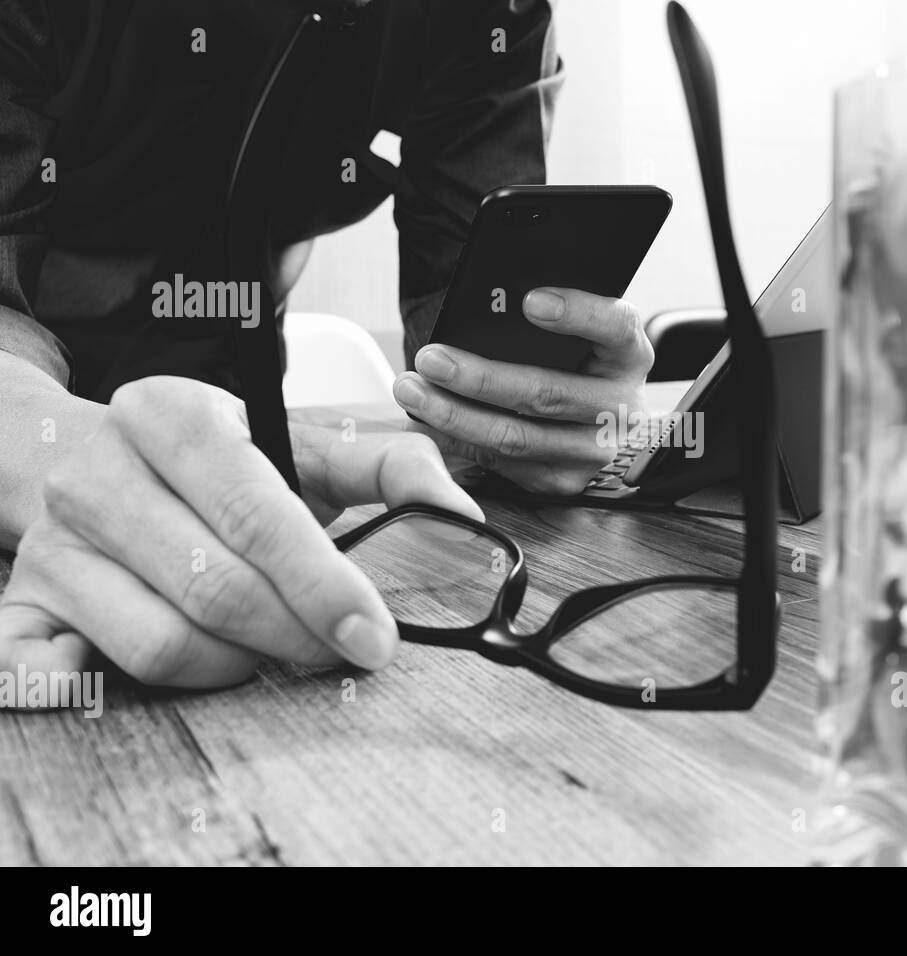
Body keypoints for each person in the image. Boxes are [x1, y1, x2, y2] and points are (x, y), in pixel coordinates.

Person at [0, 0, 653, 689]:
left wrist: (531, 404)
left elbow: (478, 338)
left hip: (239, 389)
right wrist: (43, 446)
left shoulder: (489, 13)